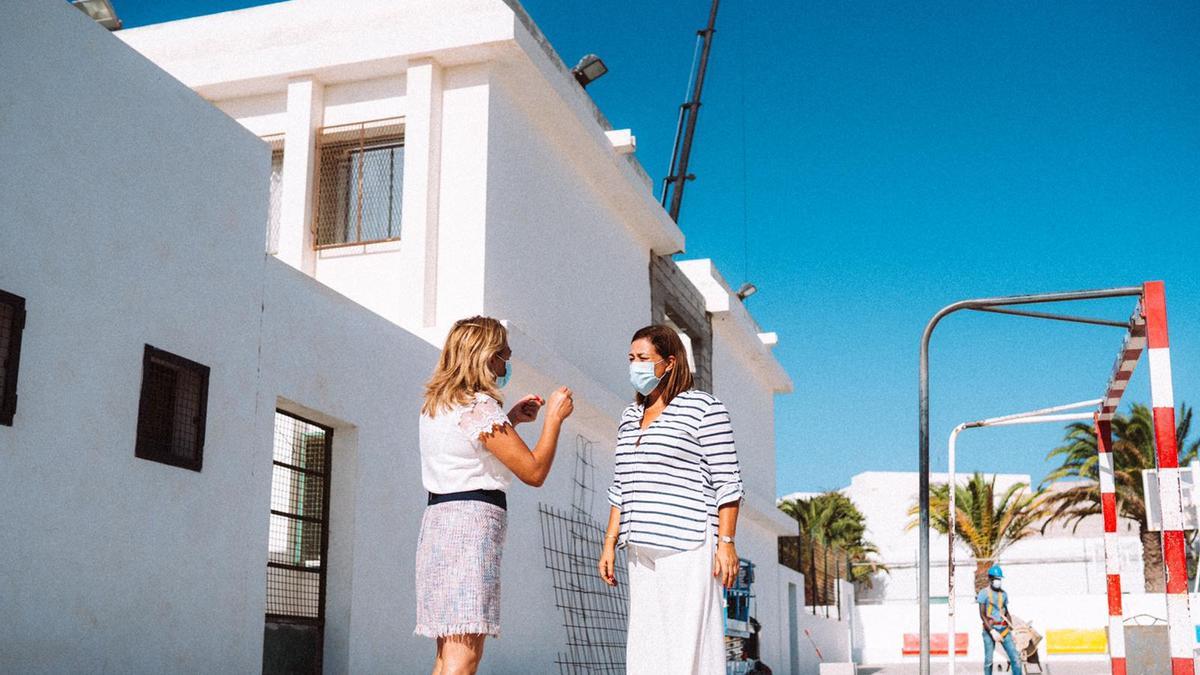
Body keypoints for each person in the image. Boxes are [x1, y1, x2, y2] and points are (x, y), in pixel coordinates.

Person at [414, 316, 574, 675]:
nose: (507, 364)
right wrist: (554, 420)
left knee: (447, 651)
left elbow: (468, 454)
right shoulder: (478, 406)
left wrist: (510, 421)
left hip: (439, 525)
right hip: (470, 528)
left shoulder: (438, 405)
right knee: (465, 653)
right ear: (486, 357)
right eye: (504, 355)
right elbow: (533, 472)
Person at [597, 324, 744, 675]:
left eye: (644, 358)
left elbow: (728, 482)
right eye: (631, 358)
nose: (636, 365)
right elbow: (622, 484)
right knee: (645, 647)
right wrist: (609, 542)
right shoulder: (630, 417)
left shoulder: (704, 408)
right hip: (640, 546)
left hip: (687, 543)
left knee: (686, 646)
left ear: (671, 362)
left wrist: (726, 543)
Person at [978, 565, 1023, 675]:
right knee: (988, 660)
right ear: (990, 579)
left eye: (999, 579)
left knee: (1015, 658)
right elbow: (982, 615)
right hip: (989, 630)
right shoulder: (983, 593)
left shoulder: (1004, 594)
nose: (998, 581)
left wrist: (1012, 630)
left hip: (1004, 629)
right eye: (996, 579)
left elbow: (1006, 612)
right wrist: (992, 631)